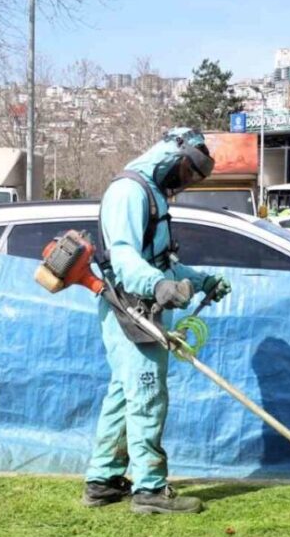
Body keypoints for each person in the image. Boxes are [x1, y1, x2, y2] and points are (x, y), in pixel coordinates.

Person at [82, 127, 232, 514]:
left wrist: (199, 282)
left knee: (124, 392)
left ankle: (102, 479)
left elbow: (164, 261)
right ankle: (149, 489)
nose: (184, 182)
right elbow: (125, 257)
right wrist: (158, 286)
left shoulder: (151, 193)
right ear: (170, 153)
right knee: (147, 393)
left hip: (141, 302)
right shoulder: (129, 191)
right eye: (186, 171)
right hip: (130, 305)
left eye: (193, 177)